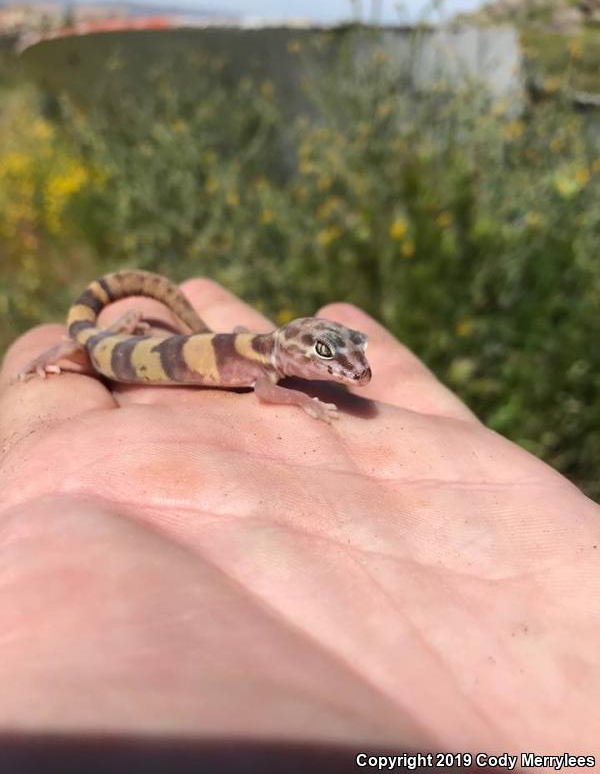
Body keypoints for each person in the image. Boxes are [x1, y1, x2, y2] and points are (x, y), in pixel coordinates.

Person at [0, 276, 598, 768]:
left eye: (347, 353)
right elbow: (268, 395)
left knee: (93, 335)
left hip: (124, 336)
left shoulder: (264, 357)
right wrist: (307, 400)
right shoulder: (262, 371)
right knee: (80, 343)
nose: (353, 371)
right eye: (328, 358)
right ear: (289, 350)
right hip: (108, 350)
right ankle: (76, 344)